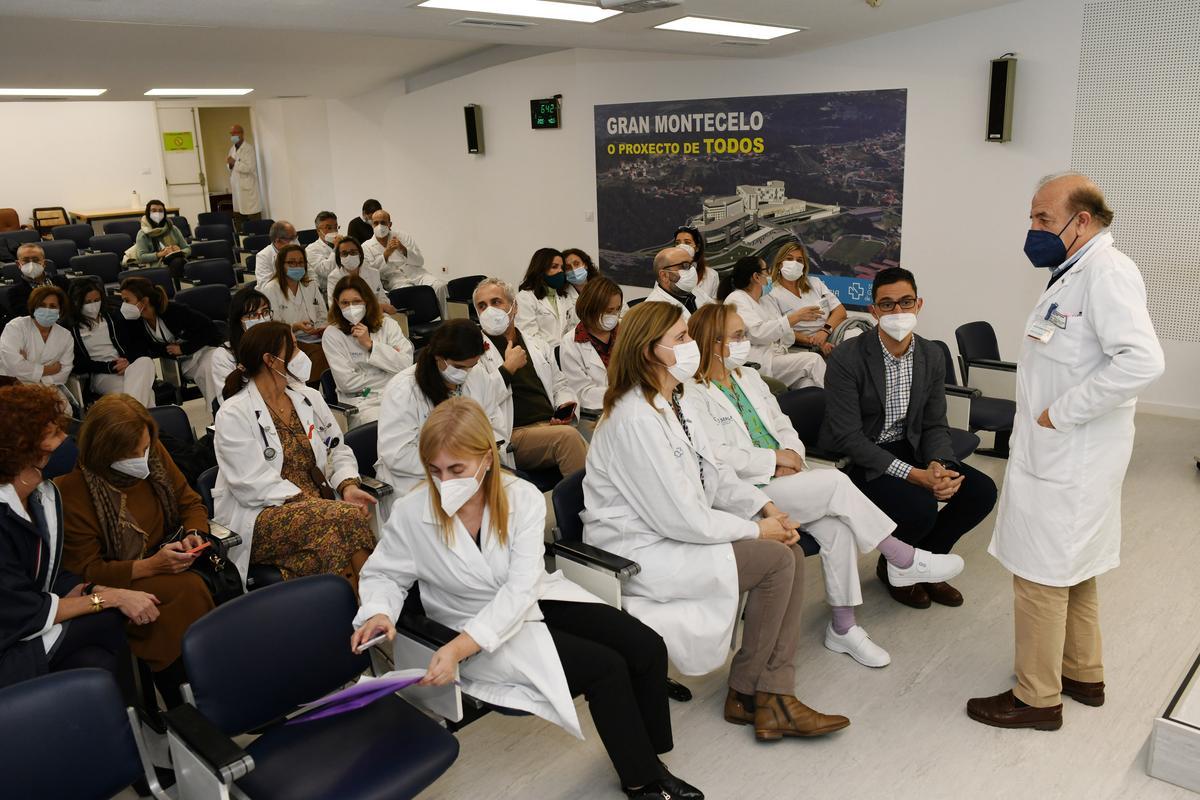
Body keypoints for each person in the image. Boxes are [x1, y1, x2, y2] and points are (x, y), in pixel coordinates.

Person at [354, 398, 701, 800]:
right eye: (435, 471)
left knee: (647, 646)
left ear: (486, 458)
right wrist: (379, 612)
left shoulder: (521, 498)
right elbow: (385, 573)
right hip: (470, 624)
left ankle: (650, 755)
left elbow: (521, 589)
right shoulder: (413, 511)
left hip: (529, 597)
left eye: (456, 469)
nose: (444, 481)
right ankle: (640, 779)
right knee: (606, 669)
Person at [583, 300, 849, 741]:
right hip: (641, 550)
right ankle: (758, 694)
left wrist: (763, 508)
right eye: (682, 339)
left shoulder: (674, 401)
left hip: (677, 530)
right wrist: (755, 529)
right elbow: (679, 519)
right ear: (651, 351)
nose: (693, 346)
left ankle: (762, 695)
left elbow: (715, 473)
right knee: (778, 559)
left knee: (789, 552)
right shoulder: (634, 419)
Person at [967, 173, 1165, 730]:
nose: (1033, 230)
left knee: (1039, 575)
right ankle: (1083, 672)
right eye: (1032, 218)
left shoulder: (1106, 272)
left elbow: (1142, 362)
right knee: (1074, 567)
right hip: (1065, 455)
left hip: (1071, 452)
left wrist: (1063, 411)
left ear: (1083, 221)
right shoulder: (1074, 272)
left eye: (1043, 219)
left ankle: (1036, 698)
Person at [683, 303, 962, 667]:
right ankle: (901, 556)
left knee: (838, 528)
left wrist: (792, 456)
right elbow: (714, 456)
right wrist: (773, 461)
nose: (745, 342)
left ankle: (843, 627)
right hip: (745, 492)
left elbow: (783, 424)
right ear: (713, 342)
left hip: (786, 478)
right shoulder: (690, 394)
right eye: (738, 336)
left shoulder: (747, 378)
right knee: (834, 482)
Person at [820, 267, 997, 609]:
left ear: (919, 305)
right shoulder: (847, 358)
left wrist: (939, 466)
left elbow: (934, 424)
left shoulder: (929, 355)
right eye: (887, 305)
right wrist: (916, 477)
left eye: (905, 302)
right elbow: (847, 437)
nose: (897, 312)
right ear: (873, 311)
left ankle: (921, 564)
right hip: (861, 456)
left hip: (910, 445)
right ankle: (898, 566)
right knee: (920, 506)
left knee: (979, 492)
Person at [56, 394, 214, 706]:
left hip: (171, 555)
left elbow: (190, 502)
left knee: (189, 588)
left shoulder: (154, 455)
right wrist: (152, 566)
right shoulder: (73, 491)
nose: (144, 458)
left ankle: (198, 688)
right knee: (185, 592)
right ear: (106, 453)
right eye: (135, 453)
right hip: (120, 578)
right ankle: (188, 696)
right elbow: (88, 570)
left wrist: (194, 534)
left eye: (145, 447)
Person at [0, 385, 156, 690]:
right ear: (25, 446)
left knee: (96, 662)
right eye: (54, 433)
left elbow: (49, 578)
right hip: (8, 643)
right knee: (109, 618)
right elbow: (25, 610)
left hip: (27, 627)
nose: (66, 441)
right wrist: (110, 596)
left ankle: (131, 724)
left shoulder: (40, 496)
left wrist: (93, 588)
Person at [213, 322, 377, 590]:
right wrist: (319, 506)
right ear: (270, 360)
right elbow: (251, 484)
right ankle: (370, 603)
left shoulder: (308, 397)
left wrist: (347, 485)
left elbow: (337, 448)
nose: (301, 354)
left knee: (333, 534)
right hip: (264, 514)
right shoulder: (233, 413)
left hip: (322, 507)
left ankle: (351, 610)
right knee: (345, 519)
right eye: (294, 347)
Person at [376, 319, 511, 499]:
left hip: (472, 469)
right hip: (420, 480)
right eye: (459, 367)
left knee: (515, 493)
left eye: (471, 366)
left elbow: (493, 422)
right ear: (438, 356)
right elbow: (398, 454)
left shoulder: (477, 375)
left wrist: (488, 449)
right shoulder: (404, 389)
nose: (465, 373)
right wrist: (456, 462)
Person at [473, 278, 588, 482]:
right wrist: (507, 369)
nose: (489, 310)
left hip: (550, 425)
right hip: (513, 433)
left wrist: (565, 407)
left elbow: (560, 384)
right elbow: (478, 402)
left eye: (496, 302)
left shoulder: (536, 344)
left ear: (514, 307)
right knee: (568, 439)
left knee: (598, 439)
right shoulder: (473, 353)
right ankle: (586, 508)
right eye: (482, 306)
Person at [718, 256, 826, 390]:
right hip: (759, 362)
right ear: (756, 276)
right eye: (766, 271)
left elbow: (786, 336)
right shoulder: (736, 299)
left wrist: (808, 337)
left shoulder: (766, 300)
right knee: (813, 361)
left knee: (807, 384)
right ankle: (842, 406)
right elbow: (757, 333)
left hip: (778, 357)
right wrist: (795, 318)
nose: (769, 275)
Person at [321, 275, 413, 424]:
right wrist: (388, 372)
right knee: (389, 422)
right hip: (362, 402)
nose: (351, 308)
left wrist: (370, 345)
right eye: (345, 303)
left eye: (356, 301)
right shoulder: (332, 334)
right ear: (337, 304)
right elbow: (347, 383)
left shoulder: (388, 325)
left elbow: (406, 364)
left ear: (367, 300)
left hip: (396, 392)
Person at [120, 276, 222, 410]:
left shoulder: (174, 311)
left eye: (127, 300)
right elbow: (139, 348)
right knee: (204, 370)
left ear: (144, 301)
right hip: (177, 365)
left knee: (210, 367)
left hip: (201, 351)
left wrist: (184, 348)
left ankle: (218, 411)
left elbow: (210, 329)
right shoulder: (133, 322)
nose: (124, 306)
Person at [66, 279, 155, 409]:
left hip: (127, 366)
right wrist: (108, 366)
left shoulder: (114, 316)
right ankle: (145, 422)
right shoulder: (69, 327)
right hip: (101, 374)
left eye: (96, 300)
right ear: (76, 302)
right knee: (145, 393)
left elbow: (137, 344)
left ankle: (135, 419)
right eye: (87, 302)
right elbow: (77, 363)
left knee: (145, 361)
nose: (93, 305)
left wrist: (128, 362)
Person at [259, 244, 330, 384]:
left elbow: (323, 314)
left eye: (300, 262)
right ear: (281, 265)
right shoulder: (271, 289)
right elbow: (271, 327)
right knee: (318, 354)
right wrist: (295, 327)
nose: (296, 266)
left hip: (316, 336)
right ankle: (310, 391)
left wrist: (321, 327)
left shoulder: (310, 285)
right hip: (289, 340)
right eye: (291, 262)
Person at [0, 285, 75, 411]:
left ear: (60, 310)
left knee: (65, 410)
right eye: (42, 305)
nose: (47, 309)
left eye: (52, 306)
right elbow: (14, 365)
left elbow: (65, 370)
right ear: (34, 307)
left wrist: (31, 369)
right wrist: (50, 369)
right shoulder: (16, 327)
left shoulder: (65, 336)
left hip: (49, 387)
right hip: (14, 386)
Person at [764, 242, 846, 357]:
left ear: (804, 266)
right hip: (804, 344)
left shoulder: (815, 283)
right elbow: (779, 329)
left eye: (799, 260)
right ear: (780, 263)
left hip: (829, 332)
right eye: (789, 259)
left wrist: (825, 331)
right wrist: (813, 340)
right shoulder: (772, 293)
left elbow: (840, 311)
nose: (794, 263)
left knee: (855, 335)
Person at [362, 208, 447, 314]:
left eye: (383, 222)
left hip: (417, 274)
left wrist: (403, 249)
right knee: (411, 294)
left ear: (390, 224)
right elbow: (371, 273)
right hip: (395, 281)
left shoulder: (403, 236)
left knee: (440, 286)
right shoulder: (366, 247)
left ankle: (447, 322)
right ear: (372, 225)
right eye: (376, 223)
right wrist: (386, 254)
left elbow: (420, 261)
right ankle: (418, 324)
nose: (379, 226)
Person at [560, 275, 622, 413]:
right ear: (590, 308)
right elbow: (583, 394)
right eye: (608, 311)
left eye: (617, 309)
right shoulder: (571, 342)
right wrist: (623, 393)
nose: (614, 315)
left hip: (634, 407)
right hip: (597, 413)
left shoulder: (626, 332)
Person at [209, 287, 272, 407]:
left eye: (265, 312)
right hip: (247, 415)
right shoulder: (224, 355)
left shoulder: (280, 345)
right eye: (253, 314)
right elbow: (228, 401)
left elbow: (298, 382)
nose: (261, 319)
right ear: (238, 321)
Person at [515, 248, 578, 350]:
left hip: (566, 353)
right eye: (554, 267)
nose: (560, 271)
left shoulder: (563, 297)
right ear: (540, 269)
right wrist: (557, 350)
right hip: (542, 357)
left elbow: (572, 328)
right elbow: (529, 335)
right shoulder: (525, 298)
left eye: (562, 268)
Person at [324, 237, 396, 314]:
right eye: (344, 254)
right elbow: (334, 307)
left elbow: (383, 300)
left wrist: (381, 307)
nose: (349, 256)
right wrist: (375, 307)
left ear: (360, 254)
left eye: (353, 252)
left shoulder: (373, 273)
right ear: (339, 258)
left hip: (375, 316)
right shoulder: (334, 277)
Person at [129, 200, 190, 286]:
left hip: (176, 262)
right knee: (177, 263)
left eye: (160, 211)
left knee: (178, 262)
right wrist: (160, 254)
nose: (157, 213)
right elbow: (141, 257)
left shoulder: (172, 228)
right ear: (148, 213)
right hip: (156, 265)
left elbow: (188, 248)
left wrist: (180, 251)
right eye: (154, 210)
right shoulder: (142, 233)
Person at [644, 246, 714, 319]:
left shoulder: (695, 292)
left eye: (692, 264)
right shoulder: (653, 312)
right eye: (684, 265)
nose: (692, 270)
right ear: (664, 276)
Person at [8, 244, 70, 319]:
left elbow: (71, 307)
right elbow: (26, 316)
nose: (31, 264)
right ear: (18, 264)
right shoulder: (15, 292)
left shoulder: (63, 281)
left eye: (36, 260)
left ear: (44, 263)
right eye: (26, 260)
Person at [226, 124, 262, 229]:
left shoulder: (248, 149)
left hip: (248, 191)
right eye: (231, 134)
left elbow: (250, 168)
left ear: (241, 134)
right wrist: (230, 164)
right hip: (237, 191)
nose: (233, 136)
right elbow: (230, 167)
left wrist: (235, 162)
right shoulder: (232, 149)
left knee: (253, 220)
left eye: (235, 133)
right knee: (239, 219)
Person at [673, 226, 719, 299]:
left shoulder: (712, 275)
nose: (681, 246)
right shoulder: (666, 272)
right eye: (677, 243)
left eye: (687, 242)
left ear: (697, 247)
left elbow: (714, 308)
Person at [304, 211, 341, 294]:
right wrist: (336, 249)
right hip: (326, 293)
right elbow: (326, 272)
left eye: (336, 227)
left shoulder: (343, 244)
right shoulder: (311, 249)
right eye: (328, 228)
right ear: (318, 230)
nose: (333, 231)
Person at [254, 220, 298, 286]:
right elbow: (266, 284)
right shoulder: (263, 257)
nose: (294, 241)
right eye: (291, 238)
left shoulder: (297, 250)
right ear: (277, 240)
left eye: (295, 237)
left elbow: (309, 272)